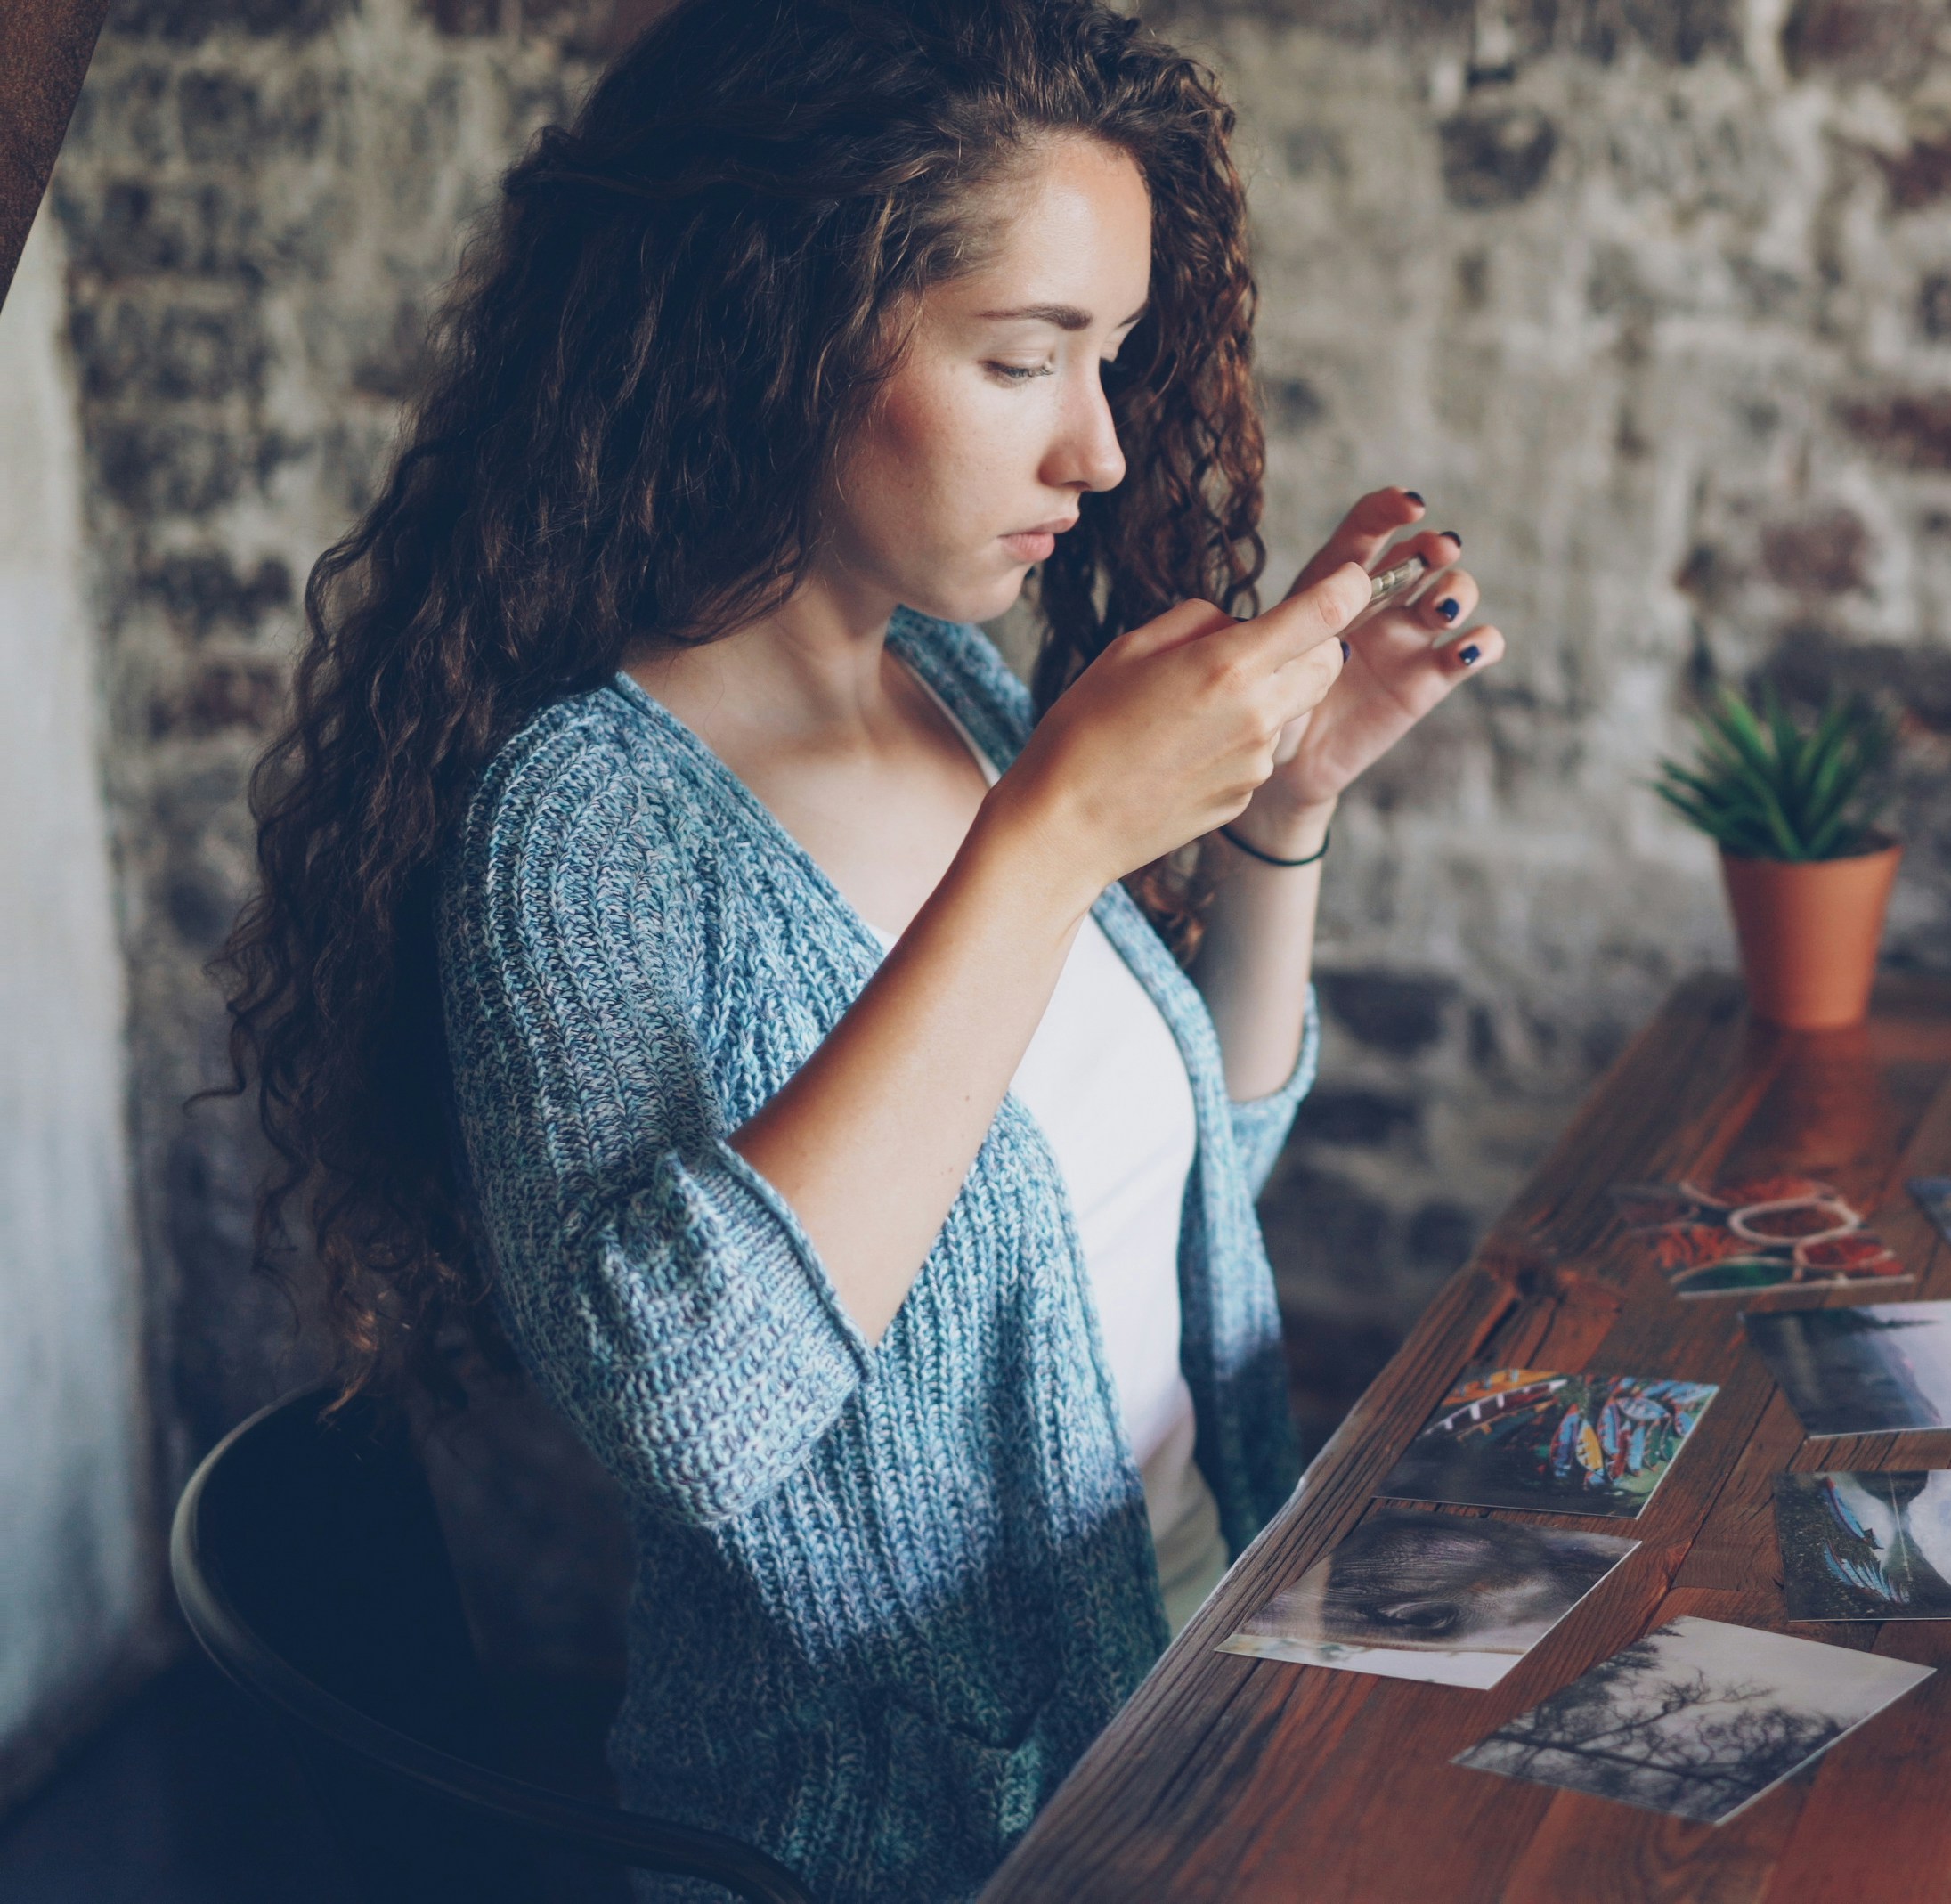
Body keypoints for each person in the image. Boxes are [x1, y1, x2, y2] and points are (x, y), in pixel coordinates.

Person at [213, 2, 1500, 1894]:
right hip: (914, 1844)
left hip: (1203, 1698)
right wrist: (1054, 834)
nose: (1103, 450)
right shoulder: (583, 826)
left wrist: (1284, 807)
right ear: (780, 327)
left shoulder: (959, 691)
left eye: (1116, 357)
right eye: (1021, 358)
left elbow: (1166, 1206)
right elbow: (696, 1413)